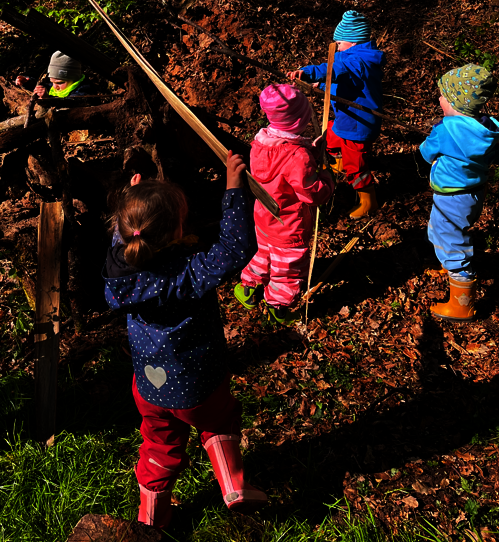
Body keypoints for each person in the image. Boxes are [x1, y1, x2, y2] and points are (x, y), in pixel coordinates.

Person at [103, 152, 267, 529]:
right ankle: (233, 485)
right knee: (219, 420)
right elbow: (235, 248)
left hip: (149, 386)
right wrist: (233, 189)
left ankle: (150, 521)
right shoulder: (188, 273)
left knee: (159, 444)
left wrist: (134, 200)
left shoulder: (118, 272)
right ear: (177, 232)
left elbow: (124, 232)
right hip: (199, 383)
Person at [234, 84, 335, 324]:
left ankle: (248, 287)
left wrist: (311, 152)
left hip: (264, 216)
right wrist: (327, 180)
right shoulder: (297, 157)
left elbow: (280, 171)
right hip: (289, 224)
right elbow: (310, 193)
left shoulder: (261, 143)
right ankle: (278, 307)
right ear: (300, 120)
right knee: (288, 267)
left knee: (264, 253)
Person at [420, 64, 499, 322]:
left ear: (455, 103)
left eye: (443, 96)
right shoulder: (491, 129)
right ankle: (448, 264)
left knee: (450, 239)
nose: (439, 99)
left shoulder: (445, 129)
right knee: (444, 231)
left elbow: (426, 152)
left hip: (450, 197)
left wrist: (432, 139)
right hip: (474, 193)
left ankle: (462, 302)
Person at [287, 10, 385, 218]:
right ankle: (339, 165)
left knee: (356, 164)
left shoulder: (360, 62)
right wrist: (322, 84)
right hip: (346, 119)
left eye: (339, 43)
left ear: (353, 41)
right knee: (329, 137)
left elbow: (337, 69)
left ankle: (368, 200)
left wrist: (309, 73)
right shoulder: (353, 58)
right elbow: (344, 81)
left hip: (358, 124)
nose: (337, 47)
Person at [15, 50, 91, 99]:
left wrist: (48, 99)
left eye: (60, 83)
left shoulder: (83, 91)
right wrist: (27, 82)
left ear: (74, 79)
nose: (55, 86)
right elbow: (44, 86)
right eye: (52, 82)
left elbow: (69, 104)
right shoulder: (55, 87)